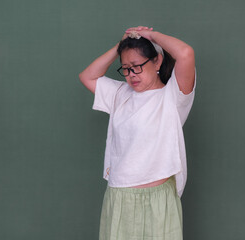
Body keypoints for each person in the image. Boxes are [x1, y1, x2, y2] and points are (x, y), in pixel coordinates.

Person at [79, 26, 196, 240]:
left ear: (157, 61)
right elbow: (87, 76)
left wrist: (149, 35)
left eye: (137, 67)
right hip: (120, 195)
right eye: (125, 69)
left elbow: (185, 53)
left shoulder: (173, 96)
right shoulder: (119, 94)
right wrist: (121, 45)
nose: (131, 75)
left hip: (159, 199)